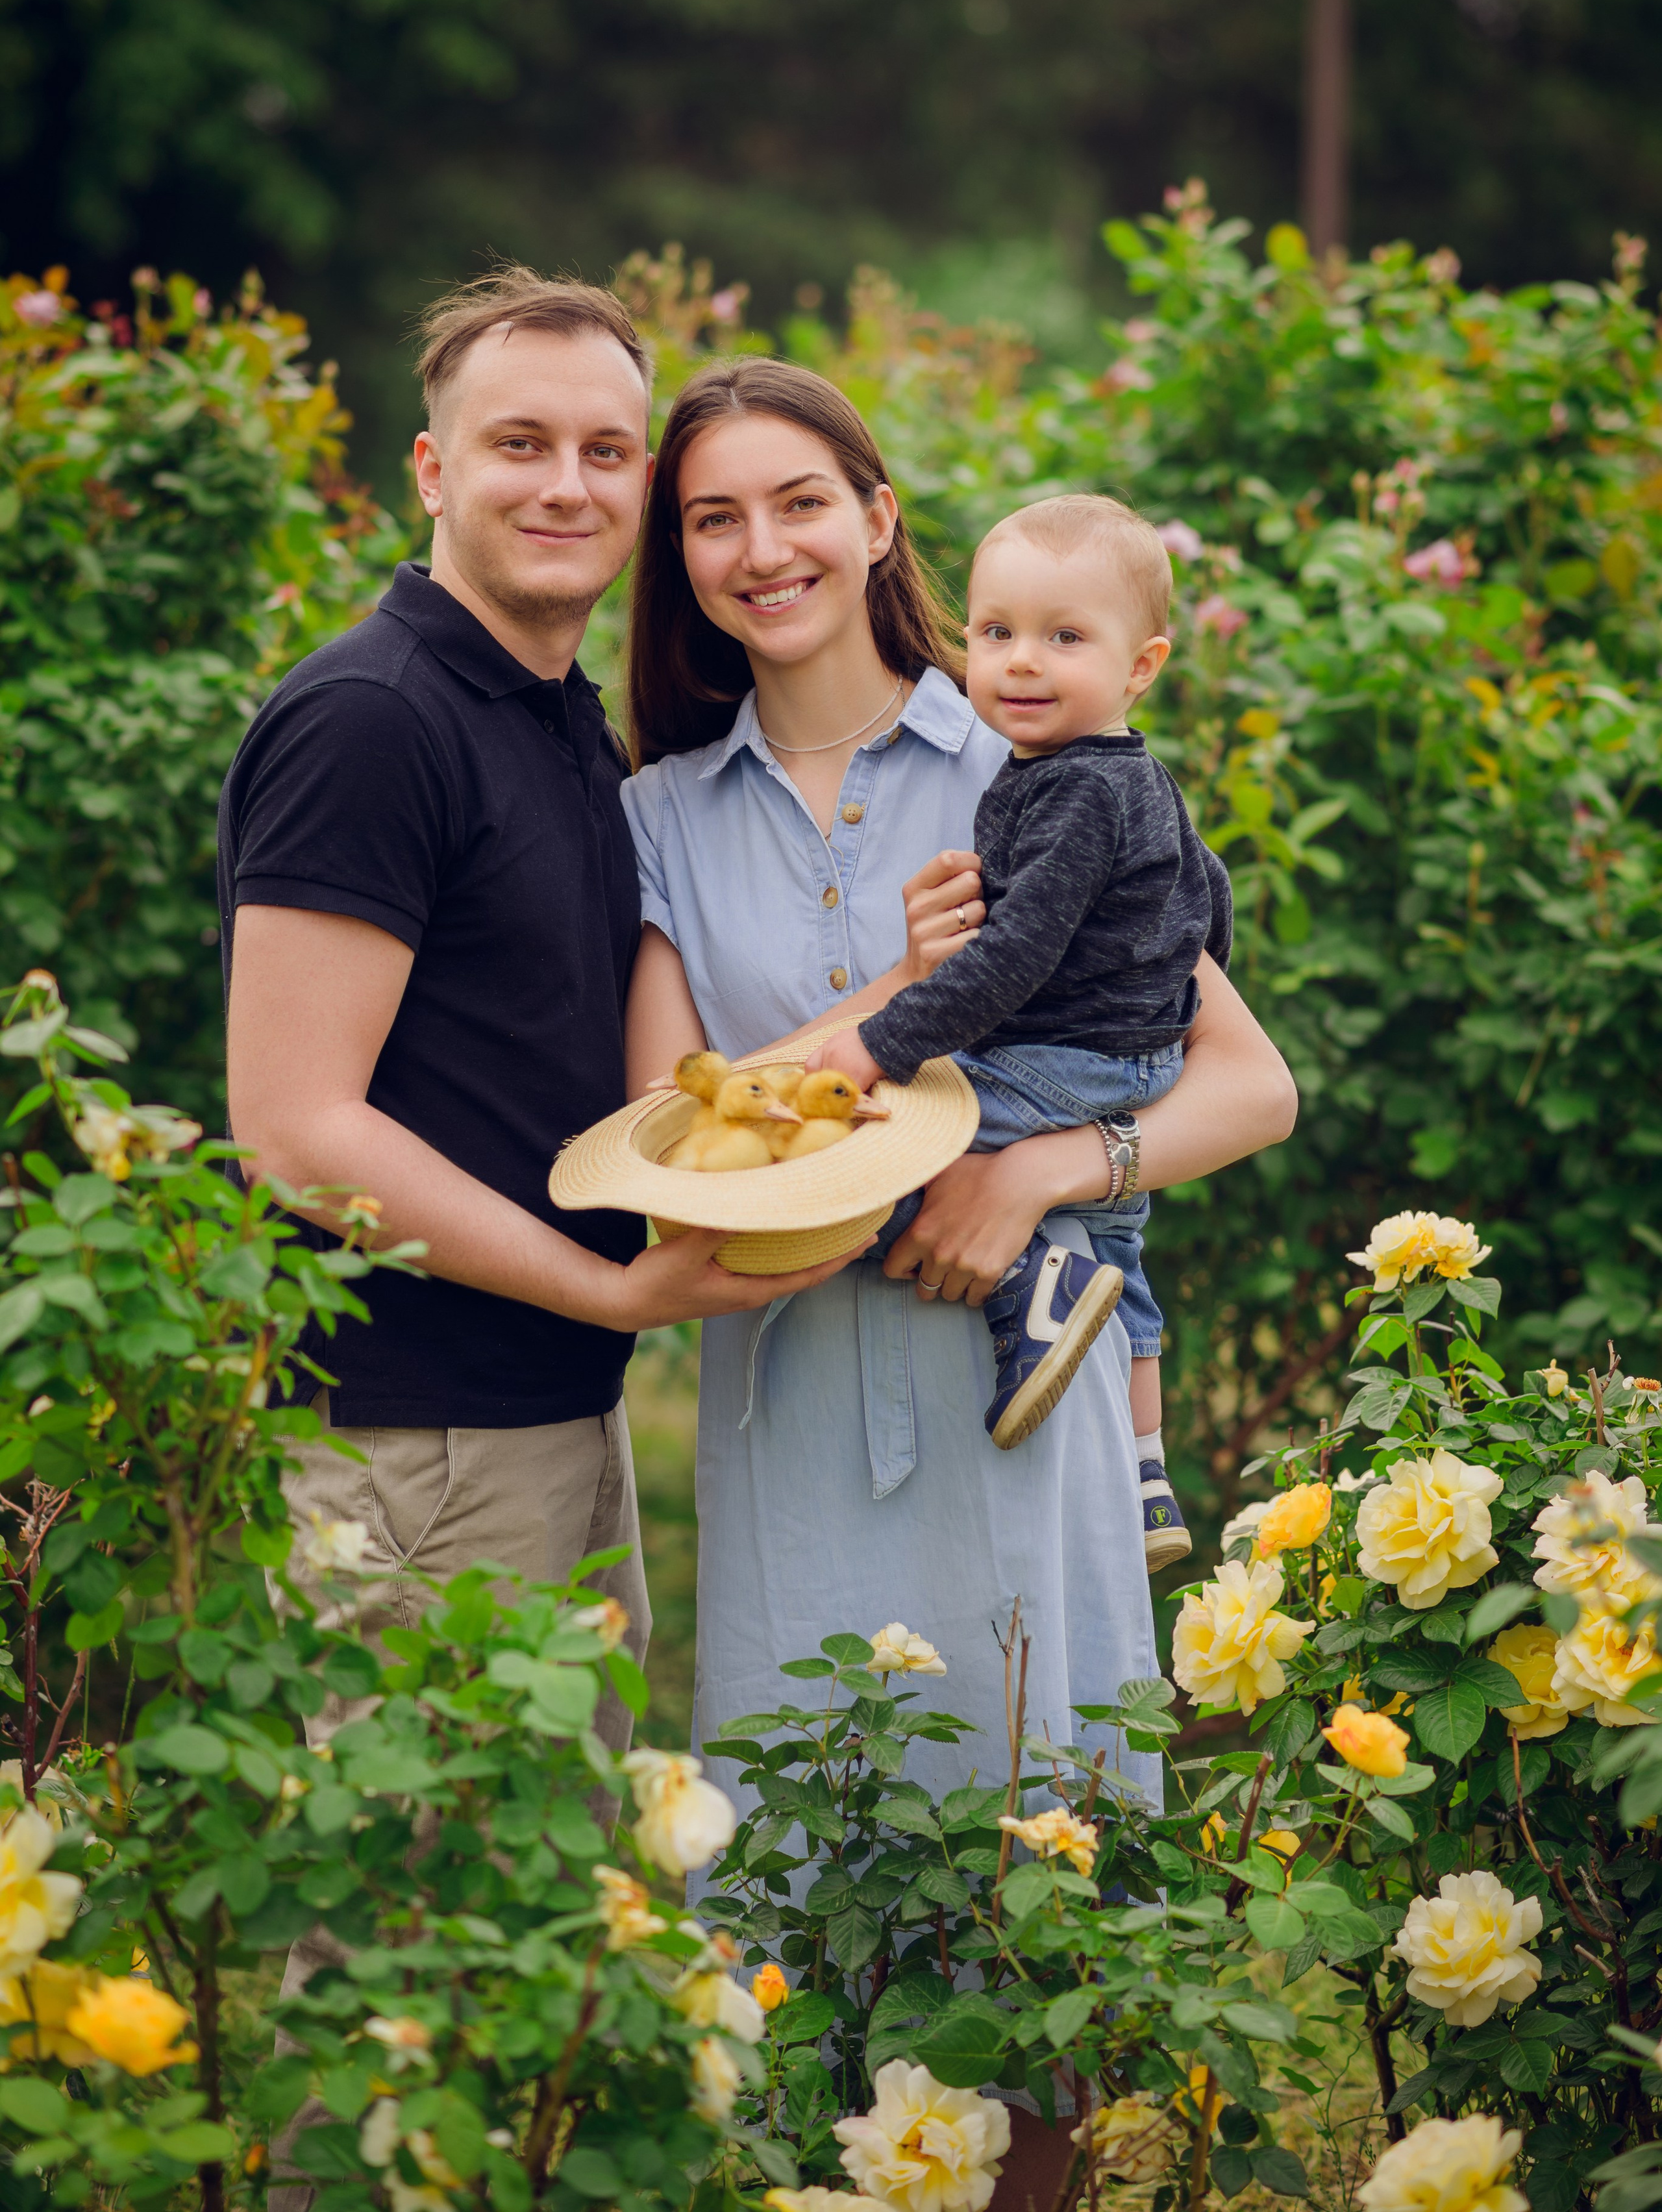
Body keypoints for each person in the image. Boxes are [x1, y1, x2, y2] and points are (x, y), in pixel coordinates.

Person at [619, 355, 1297, 2209]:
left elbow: (1247, 1079)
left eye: (799, 501)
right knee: (821, 1879)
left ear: (876, 513)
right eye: (712, 517)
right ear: (677, 559)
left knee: (1033, 1864)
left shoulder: (1034, 746)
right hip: (797, 1398)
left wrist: (1037, 1167)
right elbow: (671, 1141)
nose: (764, 549)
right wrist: (874, 1098)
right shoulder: (659, 814)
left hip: (1023, 1387)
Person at [218, 273, 862, 1712]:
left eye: (604, 451)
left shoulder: (566, 723)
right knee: (401, 1922)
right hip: (414, 1443)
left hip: (544, 1414)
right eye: (519, 444)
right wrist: (614, 1292)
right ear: (435, 472)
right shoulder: (372, 723)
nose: (565, 485)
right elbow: (294, 1130)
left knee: (539, 1919)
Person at [812, 493, 1226, 1565]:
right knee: (1125, 1258)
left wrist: (882, 1042)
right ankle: (1146, 1479)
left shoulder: (1078, 791)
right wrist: (1162, 1013)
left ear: (1143, 666)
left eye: (1065, 637)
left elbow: (1015, 957)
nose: (1022, 663)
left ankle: (1024, 1282)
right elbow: (1209, 897)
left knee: (875, 1152)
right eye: (996, 634)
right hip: (1129, 1059)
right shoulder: (1129, 776)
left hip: (1064, 1058)